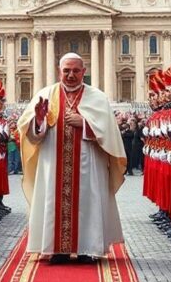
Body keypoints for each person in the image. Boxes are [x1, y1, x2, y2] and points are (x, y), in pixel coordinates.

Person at [18, 52, 126, 263]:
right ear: (59, 71)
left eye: (76, 70)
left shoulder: (97, 97)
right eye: (66, 70)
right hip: (53, 163)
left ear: (84, 72)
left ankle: (87, 248)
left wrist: (85, 123)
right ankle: (57, 249)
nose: (70, 75)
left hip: (88, 164)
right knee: (53, 200)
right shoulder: (46, 94)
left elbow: (110, 134)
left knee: (88, 201)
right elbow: (29, 133)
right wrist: (38, 120)